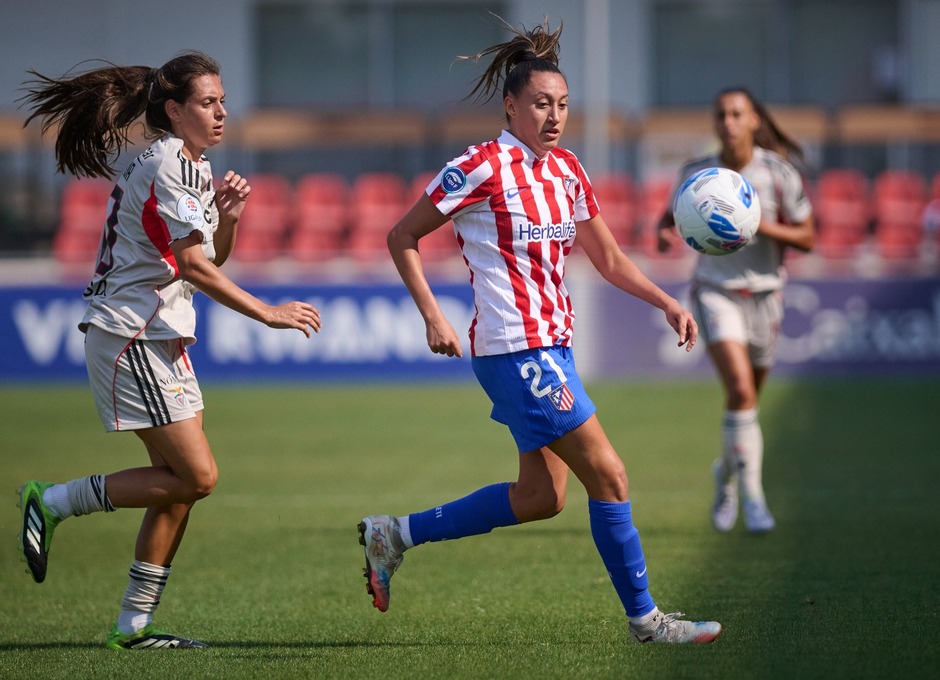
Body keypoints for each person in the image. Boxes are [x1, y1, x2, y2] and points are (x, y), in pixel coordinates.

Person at [358, 18, 721, 645]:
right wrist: (433, 315)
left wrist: (666, 299)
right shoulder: (479, 167)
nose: (554, 117)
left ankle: (396, 534)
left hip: (554, 349)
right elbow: (402, 235)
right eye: (541, 105)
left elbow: (607, 259)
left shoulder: (569, 171)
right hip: (512, 348)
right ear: (511, 105)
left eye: (562, 105)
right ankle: (647, 620)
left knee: (541, 497)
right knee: (609, 474)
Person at [17, 51, 321, 650]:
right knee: (198, 477)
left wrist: (228, 220)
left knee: (178, 483)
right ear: (175, 109)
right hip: (133, 333)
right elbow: (193, 268)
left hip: (161, 334)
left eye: (222, 101)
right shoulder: (166, 165)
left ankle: (133, 627)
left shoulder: (193, 166)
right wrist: (267, 312)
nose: (221, 112)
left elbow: (210, 260)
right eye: (208, 103)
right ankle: (52, 501)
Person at [656, 86, 815, 533]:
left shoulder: (778, 173)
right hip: (715, 290)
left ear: (754, 122)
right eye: (722, 114)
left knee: (745, 406)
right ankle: (754, 499)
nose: (728, 122)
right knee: (742, 392)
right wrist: (664, 235)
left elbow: (808, 237)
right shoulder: (696, 172)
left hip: (766, 295)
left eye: (737, 114)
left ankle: (724, 473)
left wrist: (757, 224)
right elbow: (668, 221)